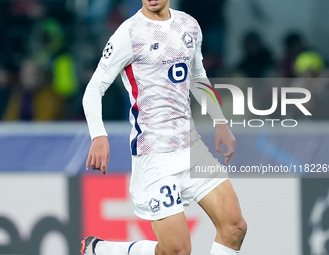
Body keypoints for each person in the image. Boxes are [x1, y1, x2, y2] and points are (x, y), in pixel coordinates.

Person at [82, 1, 247, 255]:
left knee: (234, 227)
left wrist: (220, 121)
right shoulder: (128, 33)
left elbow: (198, 77)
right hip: (155, 156)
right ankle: (104, 250)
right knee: (177, 251)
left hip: (191, 149)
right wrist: (98, 136)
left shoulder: (189, 26)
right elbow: (94, 89)